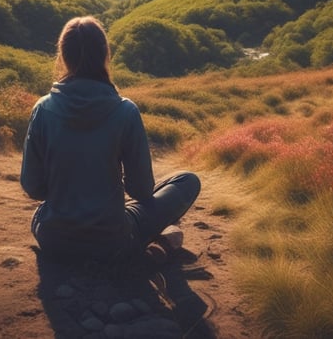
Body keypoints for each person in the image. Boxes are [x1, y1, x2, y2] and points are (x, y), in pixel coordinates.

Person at [20, 15, 200, 263]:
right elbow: (141, 190)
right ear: (106, 54)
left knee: (45, 213)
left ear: (63, 56)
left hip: (52, 238)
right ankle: (154, 246)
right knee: (187, 181)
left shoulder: (42, 109)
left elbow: (33, 187)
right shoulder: (126, 112)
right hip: (111, 241)